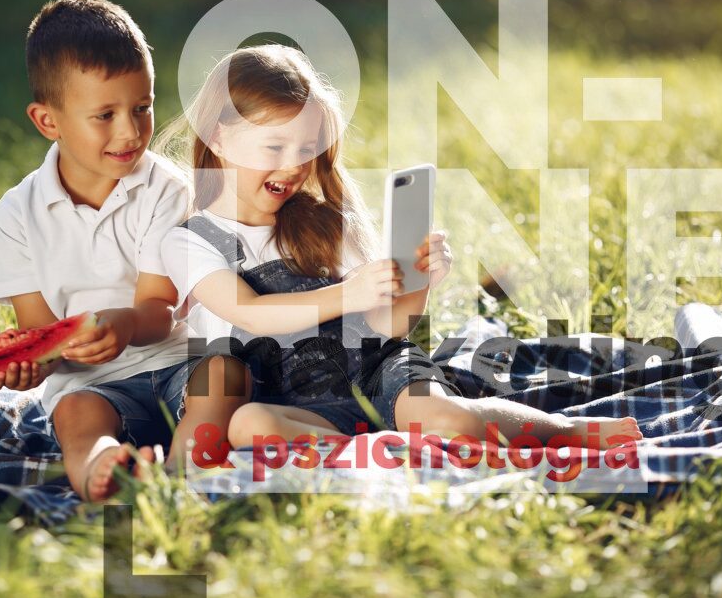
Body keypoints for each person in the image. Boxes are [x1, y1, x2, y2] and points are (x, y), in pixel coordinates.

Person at [158, 44, 641, 455]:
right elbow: (252, 314)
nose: (294, 166)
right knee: (249, 427)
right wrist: (349, 292)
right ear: (218, 137)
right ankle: (383, 450)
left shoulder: (325, 223)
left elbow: (387, 327)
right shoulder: (191, 240)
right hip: (283, 398)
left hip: (374, 370)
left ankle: (568, 432)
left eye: (307, 150)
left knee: (446, 417)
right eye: (274, 148)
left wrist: (417, 284)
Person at [0, 0, 249, 502]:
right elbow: (40, 334)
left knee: (225, 374)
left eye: (142, 107)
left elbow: (160, 308)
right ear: (48, 121)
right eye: (104, 115)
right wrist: (30, 363)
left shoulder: (168, 190)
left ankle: (180, 474)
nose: (130, 131)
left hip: (177, 361)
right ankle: (102, 467)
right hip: (88, 384)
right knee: (74, 419)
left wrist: (126, 323)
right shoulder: (16, 215)